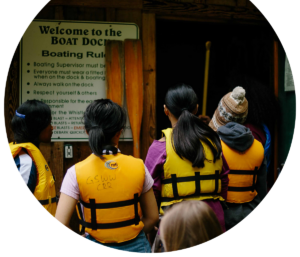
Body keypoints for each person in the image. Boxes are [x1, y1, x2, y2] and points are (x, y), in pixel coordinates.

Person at [55, 99, 158, 253]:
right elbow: (152, 217)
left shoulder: (75, 173)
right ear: (119, 132)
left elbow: (60, 223)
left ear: (88, 132)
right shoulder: (139, 166)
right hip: (137, 247)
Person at [145, 84, 229, 233]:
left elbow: (150, 191)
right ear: (196, 109)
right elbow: (223, 179)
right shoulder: (214, 142)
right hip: (213, 221)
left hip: (175, 226)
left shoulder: (159, 149)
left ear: (166, 110)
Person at [208, 87, 266, 230]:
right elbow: (262, 188)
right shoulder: (259, 147)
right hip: (250, 212)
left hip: (220, 216)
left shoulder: (212, 146)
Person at [10, 100, 57, 216]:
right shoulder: (25, 162)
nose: (52, 128)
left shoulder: (23, 156)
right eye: (49, 123)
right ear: (37, 127)